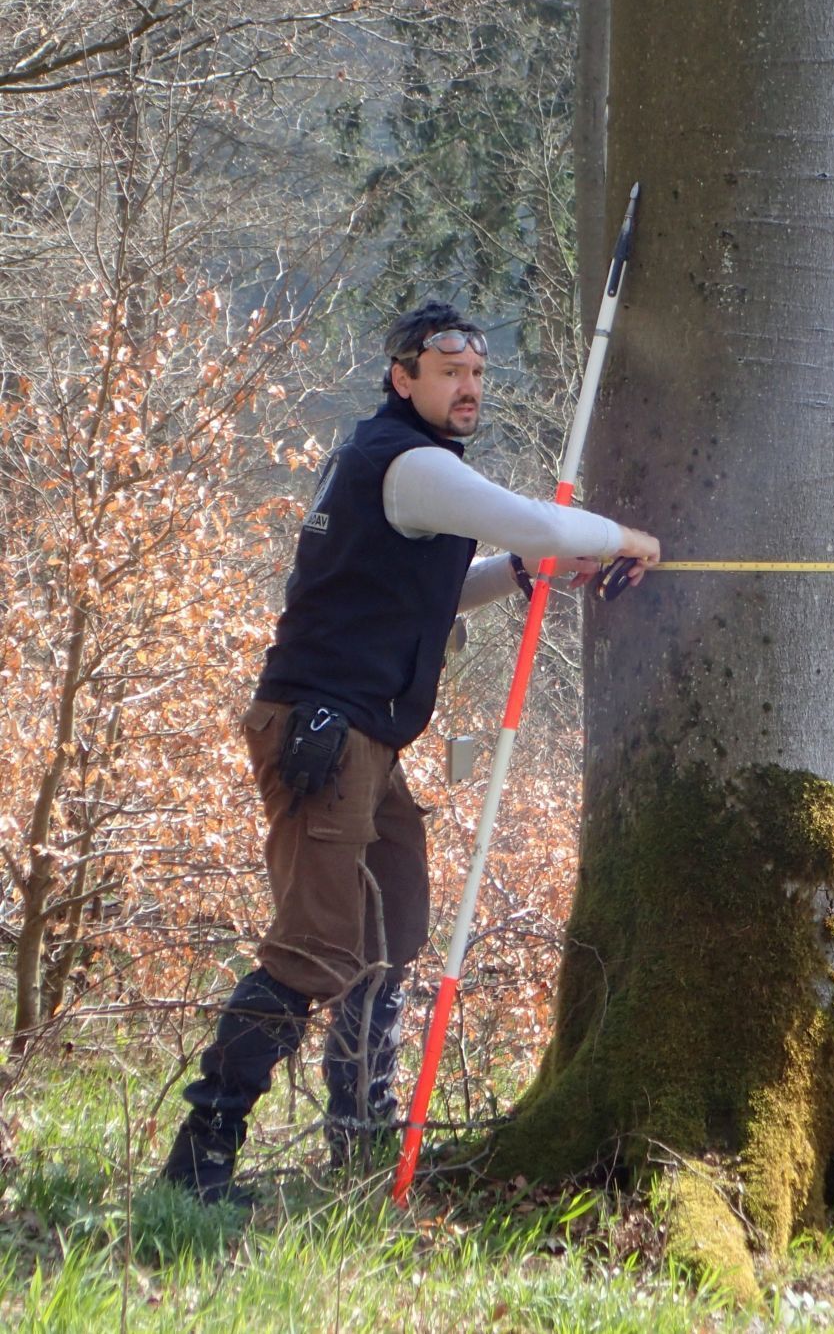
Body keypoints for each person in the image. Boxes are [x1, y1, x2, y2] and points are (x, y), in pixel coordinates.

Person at [161, 301, 660, 1201]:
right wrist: (623, 539)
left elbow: (425, 588)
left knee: (389, 930)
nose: (468, 386)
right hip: (324, 735)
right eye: (448, 371)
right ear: (404, 378)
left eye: (477, 372)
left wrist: (513, 577)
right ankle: (199, 1159)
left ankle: (360, 1140)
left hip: (364, 736)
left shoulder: (392, 461)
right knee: (314, 946)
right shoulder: (410, 461)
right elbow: (542, 524)